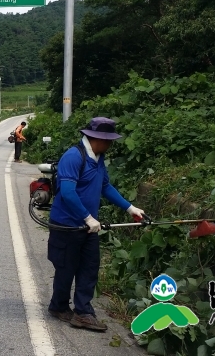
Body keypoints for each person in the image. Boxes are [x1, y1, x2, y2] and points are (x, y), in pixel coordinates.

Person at [46, 117, 150, 331]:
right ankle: (59, 306)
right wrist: (87, 218)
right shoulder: (74, 157)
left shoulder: (99, 157)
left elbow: (105, 187)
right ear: (95, 138)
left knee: (90, 267)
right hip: (67, 225)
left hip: (88, 226)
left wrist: (130, 208)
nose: (110, 144)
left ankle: (83, 312)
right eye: (107, 140)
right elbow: (67, 193)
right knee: (66, 268)